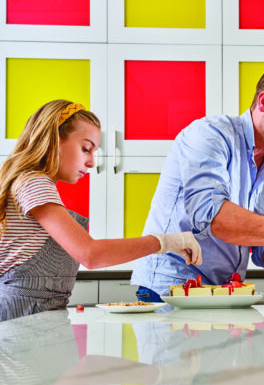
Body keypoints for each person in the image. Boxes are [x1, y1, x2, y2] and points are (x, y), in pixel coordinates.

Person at [131, 66, 264, 302]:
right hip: (169, 288)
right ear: (263, 102)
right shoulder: (210, 135)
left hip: (226, 292)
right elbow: (213, 219)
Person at [0, 100, 202, 320]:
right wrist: (167, 242)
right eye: (86, 149)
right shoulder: (34, 183)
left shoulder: (30, 184)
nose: (91, 162)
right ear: (54, 141)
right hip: (20, 320)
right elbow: (91, 254)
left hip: (38, 319)